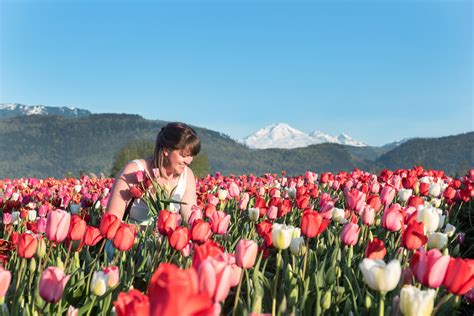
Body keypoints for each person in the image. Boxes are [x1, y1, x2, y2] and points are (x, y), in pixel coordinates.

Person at [106, 122, 201, 225]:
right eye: (184, 155)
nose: (189, 161)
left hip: (167, 240)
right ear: (166, 150)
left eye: (191, 156)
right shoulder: (134, 170)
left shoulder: (187, 176)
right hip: (131, 239)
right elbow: (112, 220)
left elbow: (190, 221)